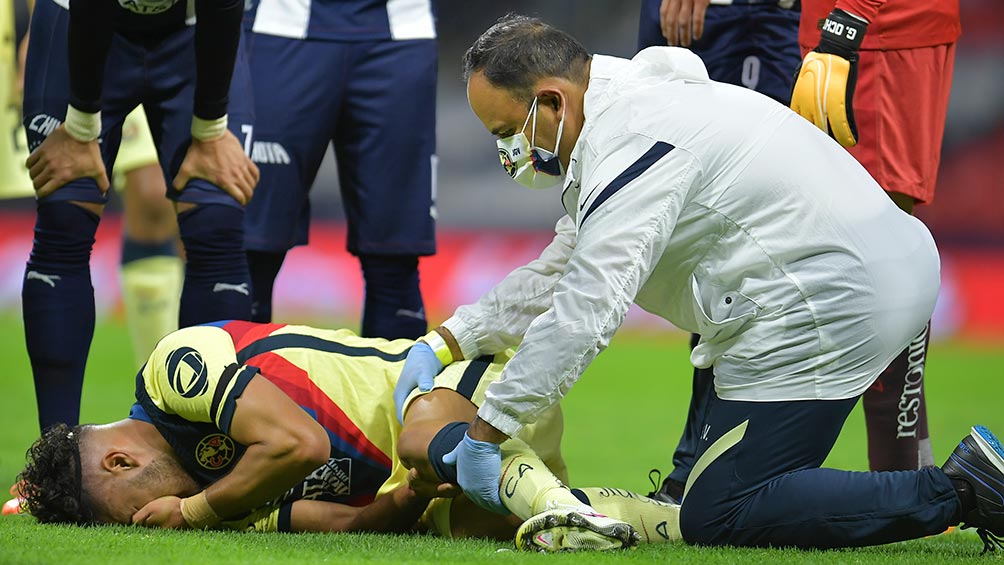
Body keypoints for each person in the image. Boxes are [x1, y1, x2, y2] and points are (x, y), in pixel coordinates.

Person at [392, 14, 1004, 551]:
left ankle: (964, 491)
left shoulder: (631, 140)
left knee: (724, 512)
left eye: (505, 133)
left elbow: (586, 310)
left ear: (552, 102)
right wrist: (450, 339)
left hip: (831, 301)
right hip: (840, 277)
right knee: (708, 490)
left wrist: (486, 430)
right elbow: (568, 262)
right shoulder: (626, 105)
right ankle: (707, 480)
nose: (507, 153)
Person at [13, 321, 686, 552]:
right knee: (493, 533)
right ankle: (665, 520)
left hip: (462, 384)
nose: (159, 520)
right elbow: (346, 520)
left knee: (424, 442)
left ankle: (538, 492)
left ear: (122, 457)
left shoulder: (176, 370)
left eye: (139, 512)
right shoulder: (221, 498)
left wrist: (193, 512)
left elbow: (298, 446)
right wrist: (407, 501)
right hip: (471, 459)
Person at [20, 0, 259, 433]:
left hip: (191, 30)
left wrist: (209, 130)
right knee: (64, 222)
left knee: (216, 228)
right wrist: (79, 127)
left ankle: (204, 458)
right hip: (77, 17)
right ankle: (55, 461)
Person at [638, 0, 804, 503]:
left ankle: (707, 467)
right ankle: (701, 466)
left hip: (772, 19)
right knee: (702, 238)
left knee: (758, 233)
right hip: (695, 19)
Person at [789, 0, 961, 471]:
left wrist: (848, 17)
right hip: (838, 31)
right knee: (841, 246)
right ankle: (913, 469)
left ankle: (902, 476)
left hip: (876, 31)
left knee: (878, 248)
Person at [241, 0, 437, 339]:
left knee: (395, 259)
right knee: (251, 249)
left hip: (402, 29)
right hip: (281, 24)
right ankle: (224, 389)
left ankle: (393, 391)